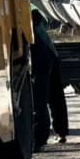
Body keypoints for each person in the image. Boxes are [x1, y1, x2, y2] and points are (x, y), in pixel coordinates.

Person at [30, 12, 69, 147]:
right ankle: (61, 132)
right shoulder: (31, 10)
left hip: (40, 56)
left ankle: (40, 139)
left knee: (39, 98)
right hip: (50, 52)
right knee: (55, 95)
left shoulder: (22, 13)